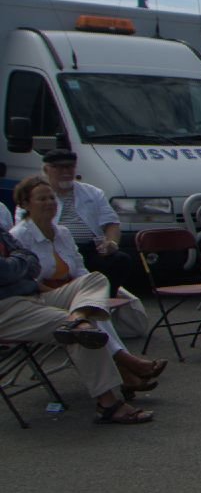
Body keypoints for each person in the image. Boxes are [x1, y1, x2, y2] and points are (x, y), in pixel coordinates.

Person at [11, 177, 168, 398]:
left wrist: (84, 292)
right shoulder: (19, 236)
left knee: (91, 298)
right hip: (41, 295)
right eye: (41, 199)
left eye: (51, 198)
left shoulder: (62, 232)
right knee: (88, 312)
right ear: (26, 204)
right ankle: (126, 361)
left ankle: (125, 373)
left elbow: (80, 269)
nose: (49, 202)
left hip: (72, 292)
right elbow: (28, 281)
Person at [0, 223, 151, 424]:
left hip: (33, 295)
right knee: (82, 333)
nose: (49, 203)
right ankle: (108, 404)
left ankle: (78, 315)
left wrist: (18, 262)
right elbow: (7, 270)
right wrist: (20, 260)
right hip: (6, 310)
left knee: (94, 279)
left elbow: (32, 262)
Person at [40, 149, 132, 296]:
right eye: (59, 167)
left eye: (70, 167)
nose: (65, 171)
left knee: (120, 260)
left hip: (90, 248)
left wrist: (111, 244)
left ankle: (105, 301)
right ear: (46, 169)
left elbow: (112, 224)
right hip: (55, 250)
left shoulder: (93, 193)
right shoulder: (37, 196)